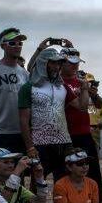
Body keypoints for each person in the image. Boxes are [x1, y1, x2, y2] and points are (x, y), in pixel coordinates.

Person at [19, 47, 71, 180]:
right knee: (38, 182)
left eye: (59, 63)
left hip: (64, 142)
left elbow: (80, 107)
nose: (57, 66)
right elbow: (23, 121)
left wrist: (85, 89)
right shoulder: (28, 88)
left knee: (64, 181)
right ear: (43, 63)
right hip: (40, 144)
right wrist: (30, 147)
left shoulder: (62, 87)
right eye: (53, 63)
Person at [59, 49, 102, 191]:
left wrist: (93, 95)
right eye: (71, 63)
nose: (75, 66)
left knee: (94, 172)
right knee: (68, 173)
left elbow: (99, 105)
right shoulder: (58, 82)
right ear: (62, 63)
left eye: (77, 63)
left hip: (84, 132)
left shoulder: (82, 81)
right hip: (67, 135)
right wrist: (83, 90)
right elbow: (82, 107)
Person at [85, 73, 102, 158]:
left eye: (93, 84)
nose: (91, 87)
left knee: (93, 161)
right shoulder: (76, 99)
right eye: (88, 84)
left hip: (94, 137)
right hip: (78, 134)